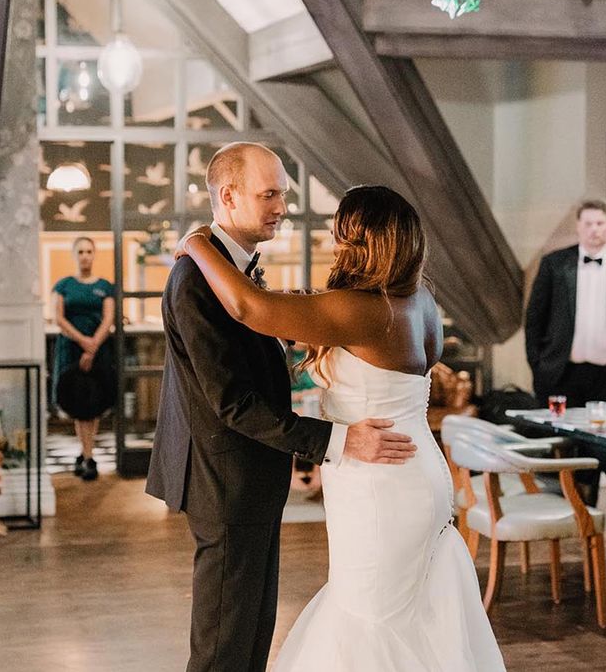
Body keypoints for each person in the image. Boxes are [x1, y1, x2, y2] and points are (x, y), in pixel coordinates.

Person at [178, 183, 505, 670]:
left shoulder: (362, 311)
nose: (336, 245)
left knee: (367, 616)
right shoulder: (419, 303)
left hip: (378, 479)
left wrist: (197, 244)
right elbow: (303, 310)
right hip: (421, 472)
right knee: (407, 614)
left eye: (342, 235)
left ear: (363, 241)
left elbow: (251, 308)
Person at [145, 143, 418, 672]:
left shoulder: (234, 269)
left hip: (251, 478)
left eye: (284, 195)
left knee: (250, 636)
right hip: (224, 482)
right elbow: (232, 403)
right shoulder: (196, 278)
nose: (282, 207)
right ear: (227, 196)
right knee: (223, 647)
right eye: (269, 194)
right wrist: (337, 441)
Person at [525, 199, 606, 502]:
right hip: (563, 371)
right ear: (578, 227)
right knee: (563, 442)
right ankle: (565, 507)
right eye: (588, 223)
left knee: (605, 446)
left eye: (600, 223)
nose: (594, 229)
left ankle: (592, 506)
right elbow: (534, 318)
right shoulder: (555, 263)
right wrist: (538, 363)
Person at [52, 236, 115, 481]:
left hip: (98, 350)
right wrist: (82, 342)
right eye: (80, 251)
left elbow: (108, 318)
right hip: (70, 350)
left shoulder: (104, 286)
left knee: (94, 403)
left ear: (94, 254)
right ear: (74, 254)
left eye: (89, 251)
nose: (85, 255)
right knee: (77, 403)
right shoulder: (63, 285)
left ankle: (87, 455)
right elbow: (58, 318)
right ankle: (87, 455)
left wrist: (93, 347)